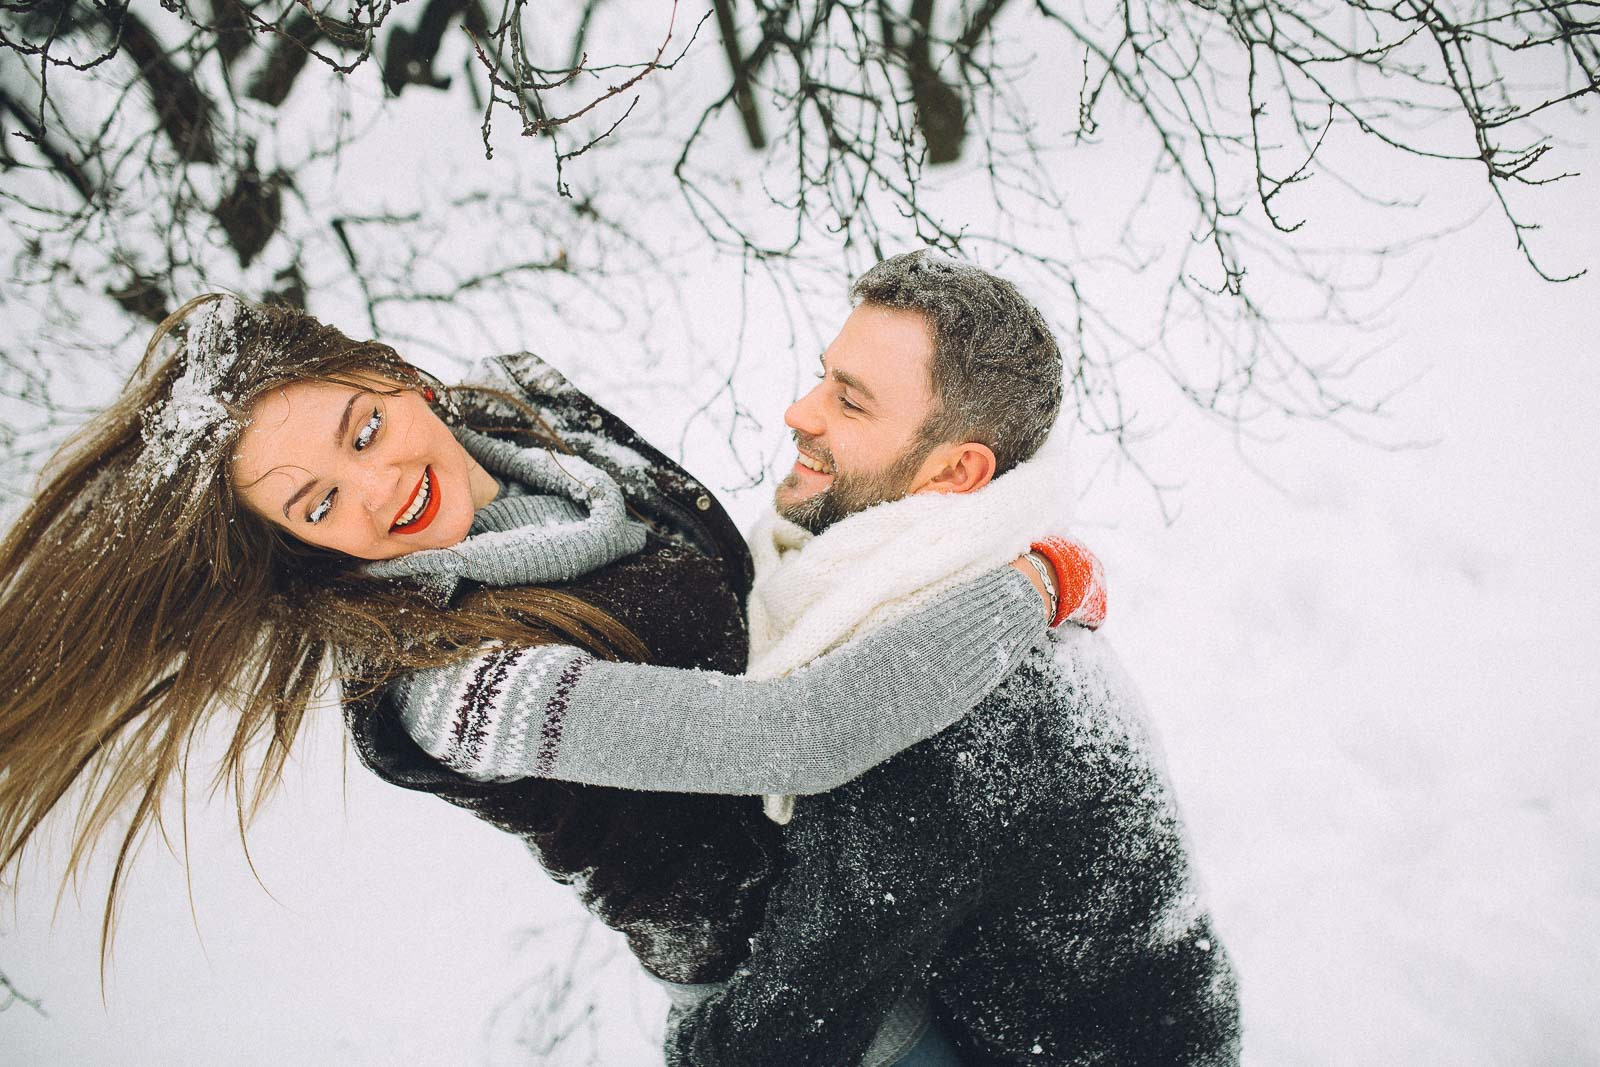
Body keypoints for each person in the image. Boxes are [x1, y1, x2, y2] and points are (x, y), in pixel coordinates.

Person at [0, 292, 1102, 1043]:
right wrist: (1030, 588)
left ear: (395, 378)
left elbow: (725, 572)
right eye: (319, 502)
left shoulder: (536, 421)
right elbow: (789, 735)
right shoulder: (443, 686)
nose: (376, 489)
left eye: (362, 429)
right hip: (795, 978)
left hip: (878, 861)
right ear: (303, 544)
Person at [664, 251, 1242, 1065]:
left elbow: (778, 1040)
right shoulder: (935, 577)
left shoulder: (934, 716)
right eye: (823, 377)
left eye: (849, 403)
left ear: (956, 471)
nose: (800, 411)